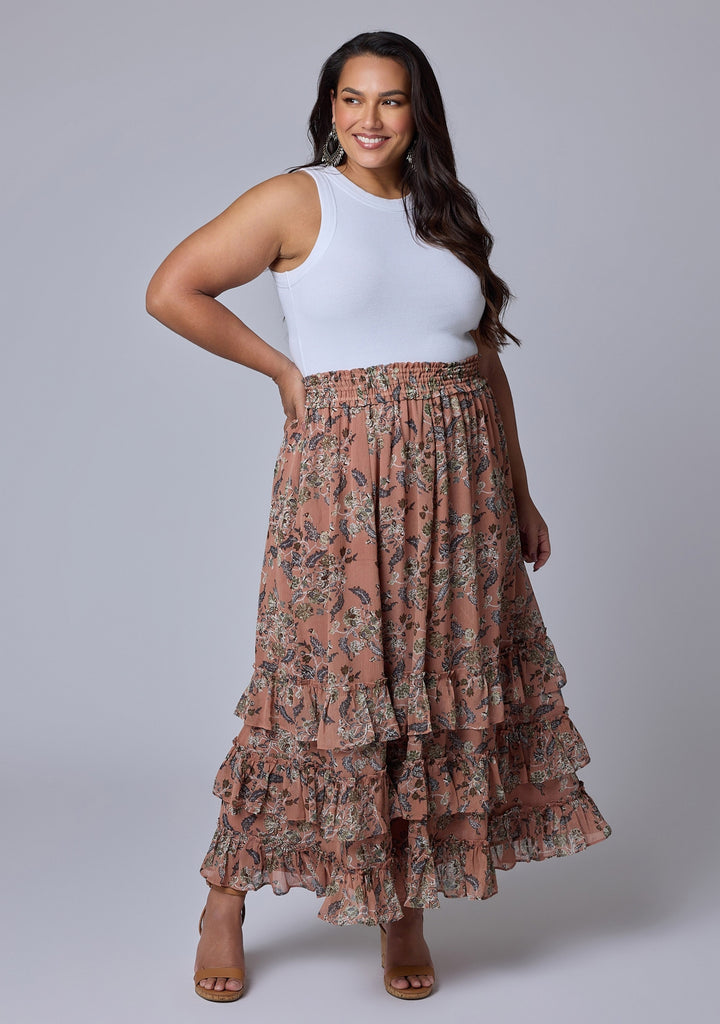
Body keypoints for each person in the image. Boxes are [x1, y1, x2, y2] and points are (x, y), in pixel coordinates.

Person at [145, 29, 612, 1003]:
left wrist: (519, 489)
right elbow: (172, 290)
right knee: (316, 689)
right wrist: (282, 370)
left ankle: (406, 909)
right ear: (329, 109)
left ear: (417, 112)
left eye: (390, 100)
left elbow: (483, 364)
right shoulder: (296, 199)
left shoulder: (448, 214)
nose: (369, 119)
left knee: (428, 692)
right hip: (340, 489)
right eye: (351, 99)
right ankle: (224, 899)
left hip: (460, 494)